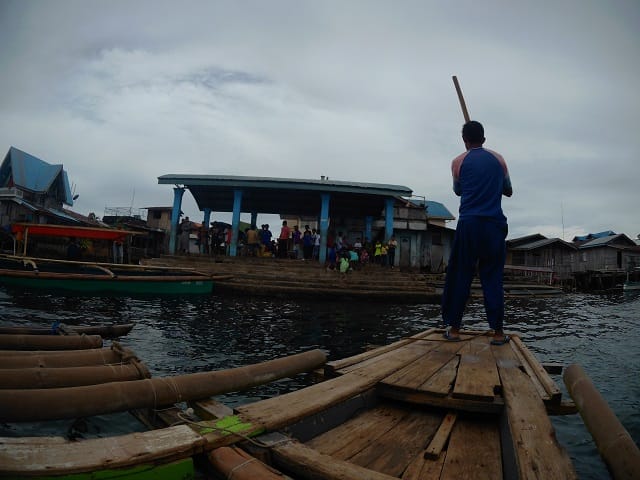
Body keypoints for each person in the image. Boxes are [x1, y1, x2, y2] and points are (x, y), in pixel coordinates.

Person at [441, 120, 513, 345]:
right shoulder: (499, 160)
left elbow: (458, 190)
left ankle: (454, 330)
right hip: (493, 225)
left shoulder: (458, 162)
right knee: (492, 277)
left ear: (465, 141)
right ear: (484, 138)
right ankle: (498, 333)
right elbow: (508, 190)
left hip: (469, 224)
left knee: (460, 274)